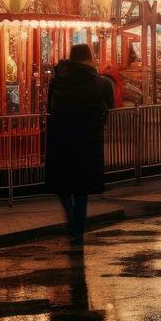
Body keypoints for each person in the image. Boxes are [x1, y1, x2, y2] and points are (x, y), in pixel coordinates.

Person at [44, 43, 114, 244]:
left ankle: (72, 218)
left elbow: (50, 108)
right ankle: (77, 229)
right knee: (81, 188)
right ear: (89, 57)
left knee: (64, 184)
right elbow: (109, 108)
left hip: (61, 138)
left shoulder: (58, 82)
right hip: (87, 139)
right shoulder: (100, 83)